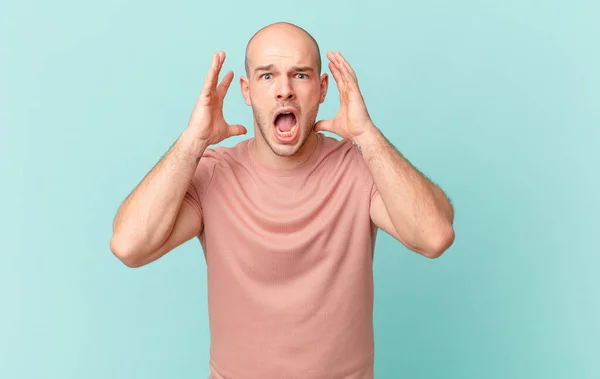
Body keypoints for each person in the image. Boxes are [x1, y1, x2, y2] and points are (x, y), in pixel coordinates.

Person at [110, 22, 455, 379]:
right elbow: (129, 246)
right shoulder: (214, 173)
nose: (284, 91)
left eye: (301, 75)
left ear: (323, 89)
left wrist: (369, 136)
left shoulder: (360, 168)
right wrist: (192, 141)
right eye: (267, 76)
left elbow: (434, 236)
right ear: (246, 91)